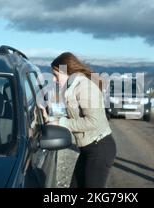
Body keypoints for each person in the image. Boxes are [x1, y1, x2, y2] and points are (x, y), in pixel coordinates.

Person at [45, 52, 117, 188]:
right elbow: (74, 114)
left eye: (55, 75)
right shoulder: (72, 88)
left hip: (99, 149)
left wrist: (61, 123)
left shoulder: (85, 87)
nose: (54, 79)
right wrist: (49, 116)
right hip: (88, 149)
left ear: (66, 71)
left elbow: (93, 121)